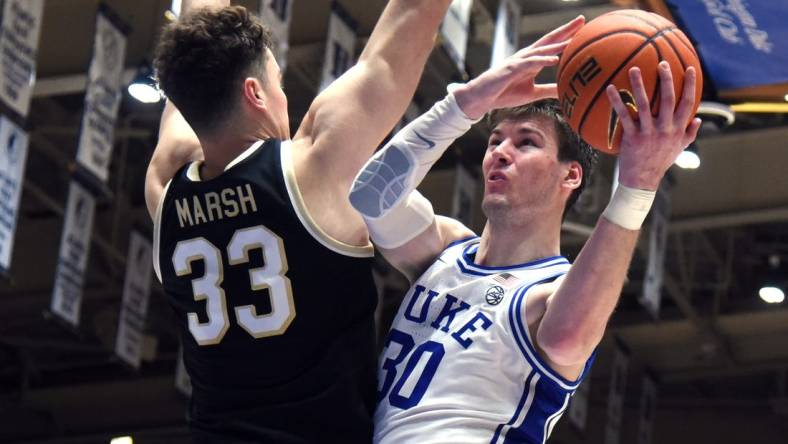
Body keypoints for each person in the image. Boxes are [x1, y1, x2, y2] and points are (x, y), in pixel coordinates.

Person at [349, 17, 701, 443]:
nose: (499, 153)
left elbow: (569, 337)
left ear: (570, 176)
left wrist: (637, 185)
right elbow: (371, 195)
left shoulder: (548, 292)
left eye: (526, 142)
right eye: (495, 140)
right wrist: (464, 105)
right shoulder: (444, 252)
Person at [144, 0, 452, 442]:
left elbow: (193, 62)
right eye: (279, 83)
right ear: (255, 93)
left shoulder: (165, 188)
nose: (285, 97)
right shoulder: (312, 171)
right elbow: (412, 20)